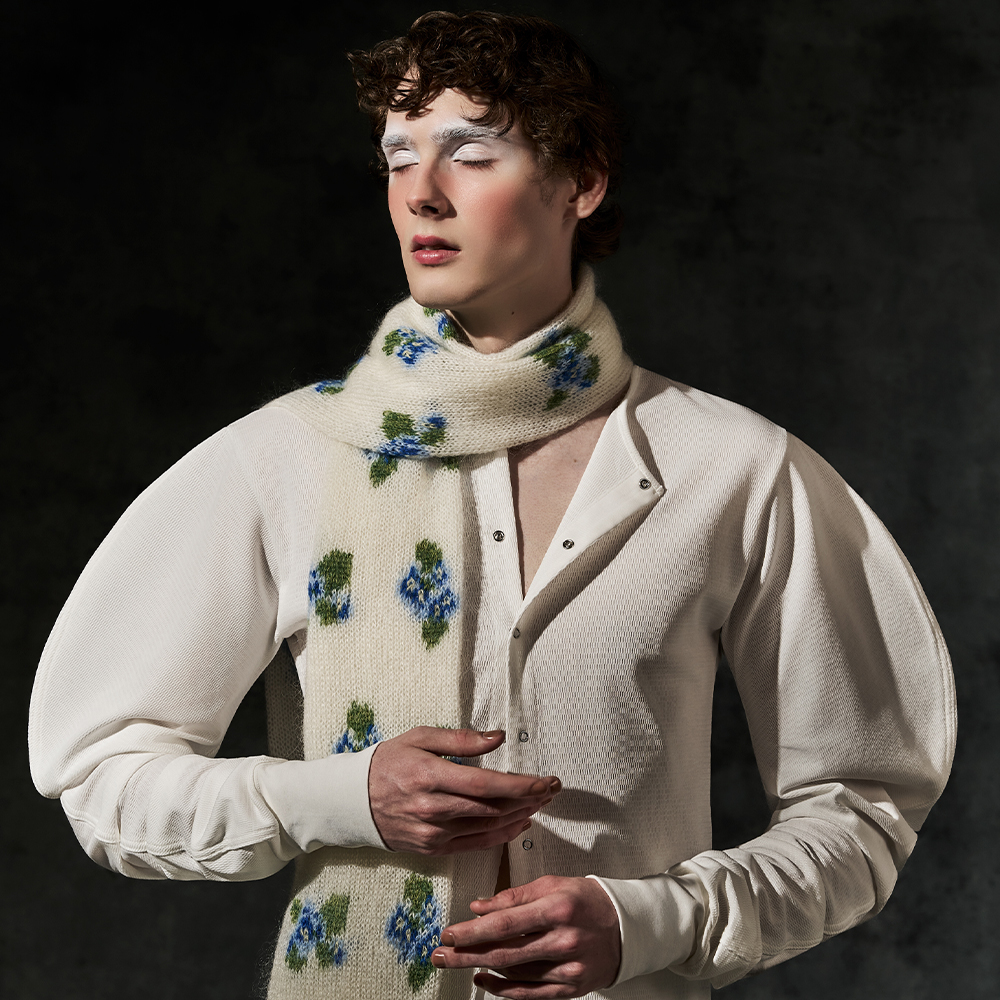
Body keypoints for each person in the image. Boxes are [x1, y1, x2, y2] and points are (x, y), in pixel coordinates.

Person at [28, 10, 955, 1000]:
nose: (420, 191)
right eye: (398, 156)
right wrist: (340, 795)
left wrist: (652, 921)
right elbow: (102, 780)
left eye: (470, 153)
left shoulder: (734, 467)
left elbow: (862, 806)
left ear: (581, 181)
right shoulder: (285, 459)